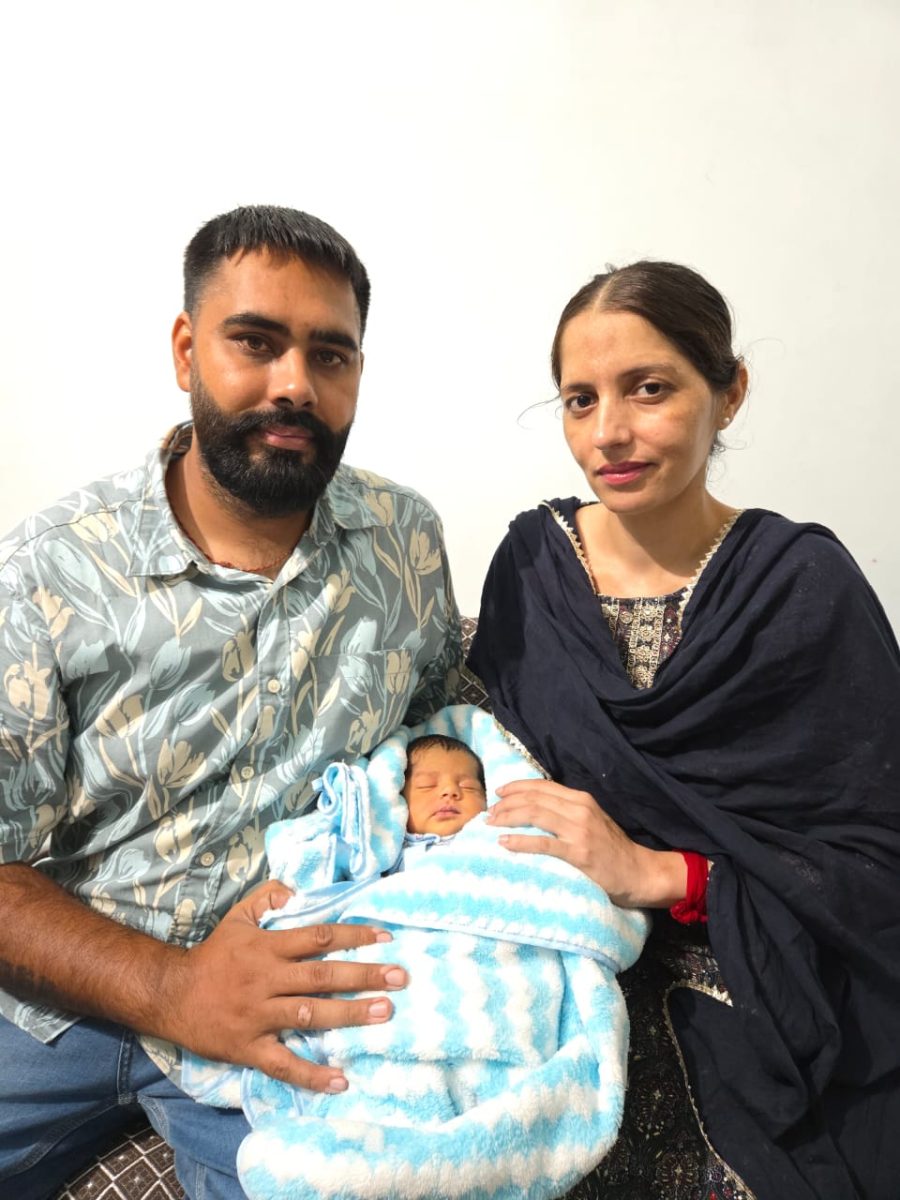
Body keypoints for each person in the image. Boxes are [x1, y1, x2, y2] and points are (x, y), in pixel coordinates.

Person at [0, 205, 461, 1200]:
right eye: (255, 341)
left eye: (330, 355)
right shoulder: (51, 569)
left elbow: (431, 745)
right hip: (59, 1002)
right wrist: (172, 989)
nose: (295, 383)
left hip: (286, 1003)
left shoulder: (405, 544)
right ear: (186, 349)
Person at [468, 261, 900, 1200]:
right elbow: (479, 768)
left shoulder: (802, 587)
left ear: (729, 392)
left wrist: (670, 874)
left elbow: (877, 862)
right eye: (580, 400)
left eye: (649, 389)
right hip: (547, 966)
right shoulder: (532, 571)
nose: (608, 433)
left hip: (761, 984)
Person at [182, 703, 649, 1200]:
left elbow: (576, 898)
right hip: (389, 1013)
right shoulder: (379, 861)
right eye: (427, 785)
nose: (450, 792)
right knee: (364, 1090)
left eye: (467, 785)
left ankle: (459, 1160)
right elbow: (312, 880)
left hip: (494, 998)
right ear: (397, 799)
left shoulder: (503, 850)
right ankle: (374, 1159)